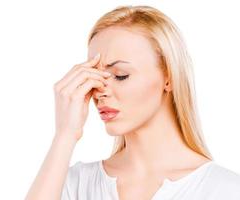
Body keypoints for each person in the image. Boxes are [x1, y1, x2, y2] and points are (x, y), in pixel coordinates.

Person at [25, 5, 240, 200]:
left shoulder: (225, 190)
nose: (100, 92)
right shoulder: (74, 183)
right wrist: (65, 134)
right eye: (94, 77)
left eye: (120, 75)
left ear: (169, 77)